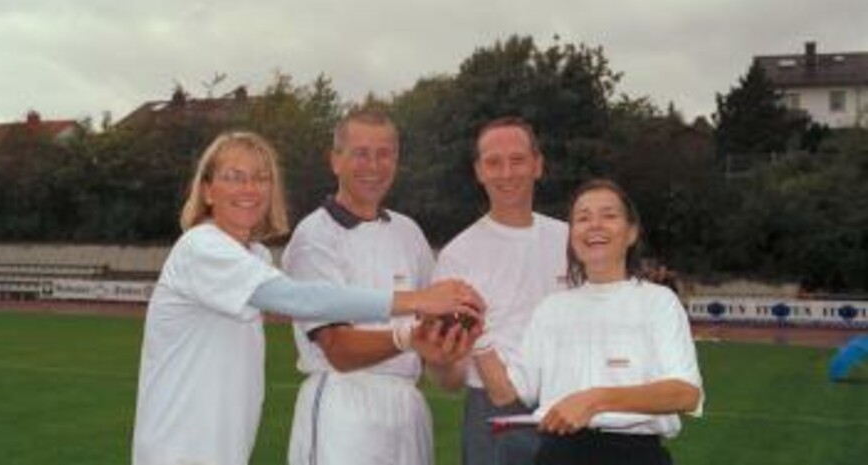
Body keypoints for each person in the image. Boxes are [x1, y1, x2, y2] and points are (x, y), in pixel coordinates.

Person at [131, 131, 483, 465]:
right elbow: (299, 299)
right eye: (234, 177)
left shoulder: (255, 256)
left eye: (261, 177)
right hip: (177, 451)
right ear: (207, 191)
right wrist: (415, 301)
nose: (249, 188)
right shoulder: (201, 247)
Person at [284, 109, 478, 465]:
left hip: (407, 410)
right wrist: (409, 339)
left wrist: (450, 351)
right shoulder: (315, 237)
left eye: (384, 153)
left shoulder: (409, 233)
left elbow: (434, 354)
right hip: (343, 409)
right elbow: (338, 350)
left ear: (397, 160)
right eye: (360, 153)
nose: (373, 166)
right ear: (335, 160)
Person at [473, 178, 703, 465]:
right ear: (572, 235)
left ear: (631, 233)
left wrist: (595, 400)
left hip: (634, 455)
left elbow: (686, 394)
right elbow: (506, 394)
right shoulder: (551, 309)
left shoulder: (658, 302)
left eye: (609, 215)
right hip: (558, 454)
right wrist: (477, 337)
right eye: (583, 218)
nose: (594, 225)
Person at [432, 116, 569, 465]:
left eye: (518, 160)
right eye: (494, 162)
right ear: (479, 171)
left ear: (538, 165)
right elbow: (449, 374)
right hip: (492, 410)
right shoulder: (457, 256)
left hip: (569, 402)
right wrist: (443, 357)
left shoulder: (571, 241)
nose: (507, 173)